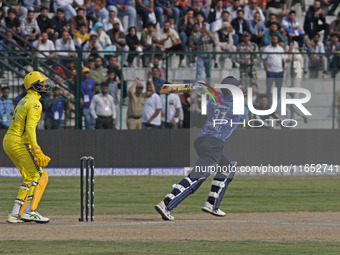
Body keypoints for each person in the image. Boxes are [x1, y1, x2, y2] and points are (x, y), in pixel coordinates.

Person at [155, 76, 248, 221]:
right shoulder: (240, 107)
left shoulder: (213, 101)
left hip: (202, 140)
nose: (240, 89)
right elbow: (245, 119)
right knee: (196, 177)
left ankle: (212, 203)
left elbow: (215, 99)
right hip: (214, 144)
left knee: (227, 167)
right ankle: (166, 203)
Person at [3, 71, 51, 223]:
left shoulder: (24, 100)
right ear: (35, 86)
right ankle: (30, 211)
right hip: (19, 142)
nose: (45, 85)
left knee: (28, 177)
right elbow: (30, 128)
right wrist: (36, 149)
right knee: (39, 175)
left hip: (8, 141)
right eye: (42, 83)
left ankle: (15, 213)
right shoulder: (35, 103)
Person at [262, 34, 286, 102]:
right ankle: (269, 102)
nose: (274, 41)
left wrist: (283, 69)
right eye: (273, 39)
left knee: (278, 88)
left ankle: (277, 102)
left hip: (279, 71)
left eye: (276, 39)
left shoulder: (280, 49)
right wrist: (265, 68)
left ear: (277, 40)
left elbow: (283, 60)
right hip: (270, 71)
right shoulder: (267, 48)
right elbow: (264, 59)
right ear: (271, 40)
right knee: (269, 88)